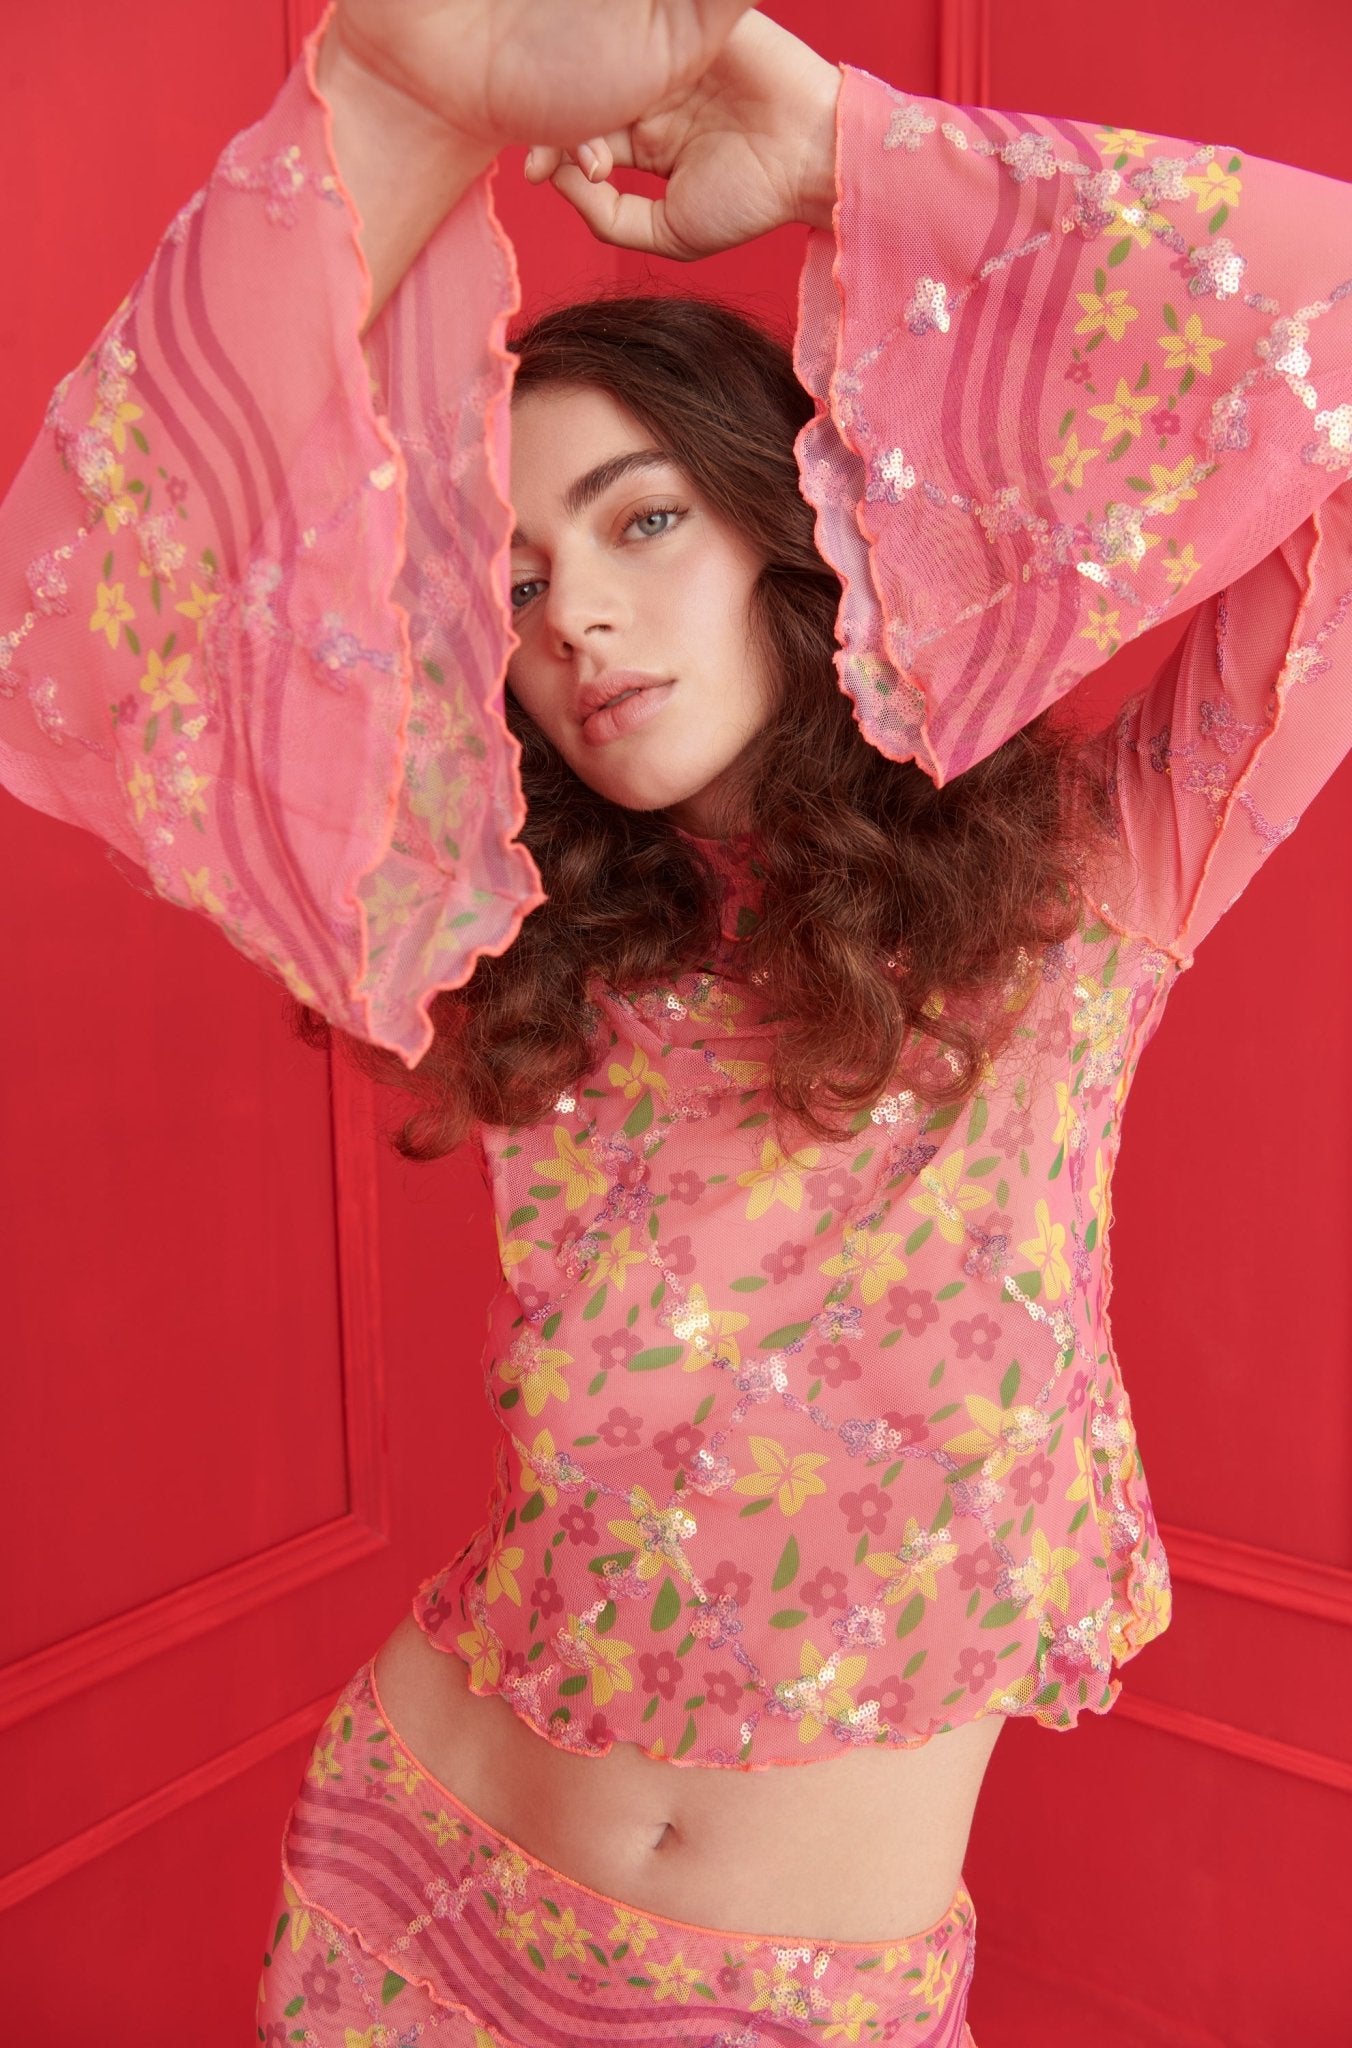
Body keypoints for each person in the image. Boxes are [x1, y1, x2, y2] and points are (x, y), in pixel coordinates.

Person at [3, 1, 1351, 2040]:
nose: (576, 618)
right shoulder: (512, 943)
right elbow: (90, 620)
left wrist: (839, 156)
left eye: (642, 520)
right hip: (412, 1892)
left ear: (784, 529)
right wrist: (382, 106)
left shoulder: (1084, 894)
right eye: (513, 582)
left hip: (794, 1999)